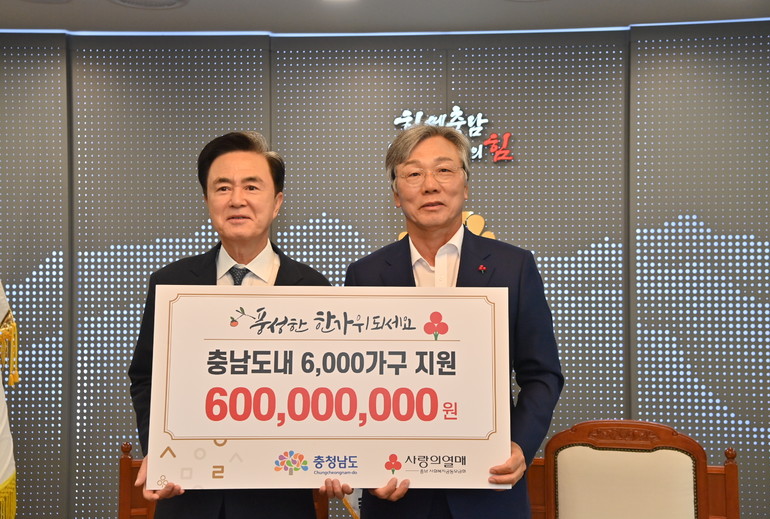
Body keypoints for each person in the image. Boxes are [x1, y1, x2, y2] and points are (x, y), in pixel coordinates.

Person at [333, 125, 564, 518]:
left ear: (465, 185)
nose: (430, 185)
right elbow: (351, 384)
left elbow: (542, 373)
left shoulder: (514, 267)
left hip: (489, 490)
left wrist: (520, 446)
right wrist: (367, 464)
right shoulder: (365, 275)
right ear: (396, 194)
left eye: (444, 170)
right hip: (398, 493)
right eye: (413, 173)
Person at [128, 131, 331, 519]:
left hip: (280, 501)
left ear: (277, 202)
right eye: (223, 188)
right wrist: (162, 451)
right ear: (207, 201)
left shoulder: (313, 288)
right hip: (189, 498)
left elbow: (329, 387)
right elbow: (146, 377)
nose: (237, 199)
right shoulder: (172, 284)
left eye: (252, 186)